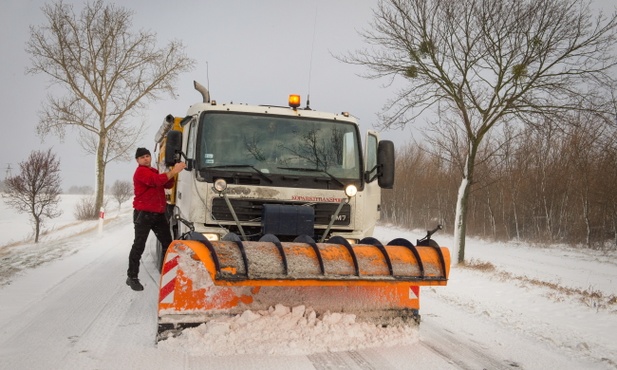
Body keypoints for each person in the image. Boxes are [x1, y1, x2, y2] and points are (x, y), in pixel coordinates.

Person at [126, 147, 186, 291]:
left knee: (168, 243)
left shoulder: (153, 171)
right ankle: (132, 277)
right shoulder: (141, 172)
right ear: (137, 161)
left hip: (158, 214)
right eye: (142, 157)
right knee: (139, 244)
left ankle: (170, 274)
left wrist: (171, 172)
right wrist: (173, 172)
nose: (146, 159)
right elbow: (155, 181)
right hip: (144, 213)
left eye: (147, 156)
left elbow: (167, 183)